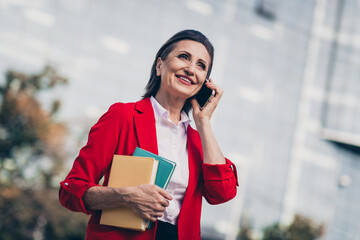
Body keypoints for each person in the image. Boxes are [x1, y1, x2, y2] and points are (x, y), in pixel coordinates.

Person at [59, 29, 238, 240]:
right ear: (160, 65)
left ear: (204, 83)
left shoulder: (200, 142)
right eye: (184, 57)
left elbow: (222, 193)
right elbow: (71, 191)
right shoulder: (123, 116)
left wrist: (204, 123)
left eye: (201, 66)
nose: (191, 69)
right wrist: (126, 196)